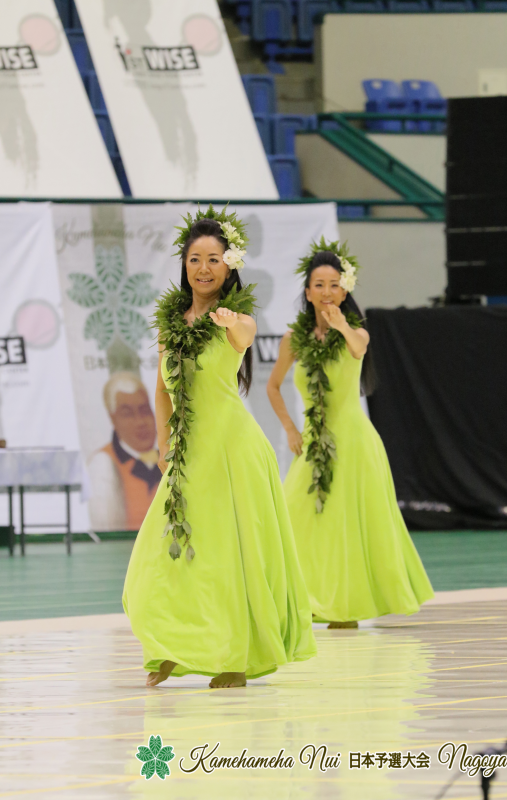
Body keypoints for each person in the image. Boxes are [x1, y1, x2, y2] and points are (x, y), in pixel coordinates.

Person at [122, 206, 316, 689]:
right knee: (162, 553)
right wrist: (164, 444)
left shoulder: (238, 319)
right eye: (195, 259)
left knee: (230, 555)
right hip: (188, 453)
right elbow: (162, 391)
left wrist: (229, 321)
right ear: (184, 265)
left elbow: (243, 335)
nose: (203, 268)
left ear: (229, 267)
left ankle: (235, 657)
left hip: (232, 449)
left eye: (213, 259)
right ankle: (171, 644)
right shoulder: (170, 325)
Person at [267, 239, 434, 628]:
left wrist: (341, 324)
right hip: (313, 444)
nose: (327, 292)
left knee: (349, 526)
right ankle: (303, 599)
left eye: (335, 285)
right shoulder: (293, 339)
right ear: (308, 292)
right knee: (297, 518)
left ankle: (346, 608)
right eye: (319, 285)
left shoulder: (355, 332)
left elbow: (358, 349)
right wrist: (290, 428)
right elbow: (273, 386)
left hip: (354, 443)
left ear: (345, 292)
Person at [88, 372, 160, 531]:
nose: (140, 422)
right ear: (113, 419)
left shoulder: (171, 455)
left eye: (145, 410)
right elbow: (106, 530)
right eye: (128, 414)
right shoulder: (104, 463)